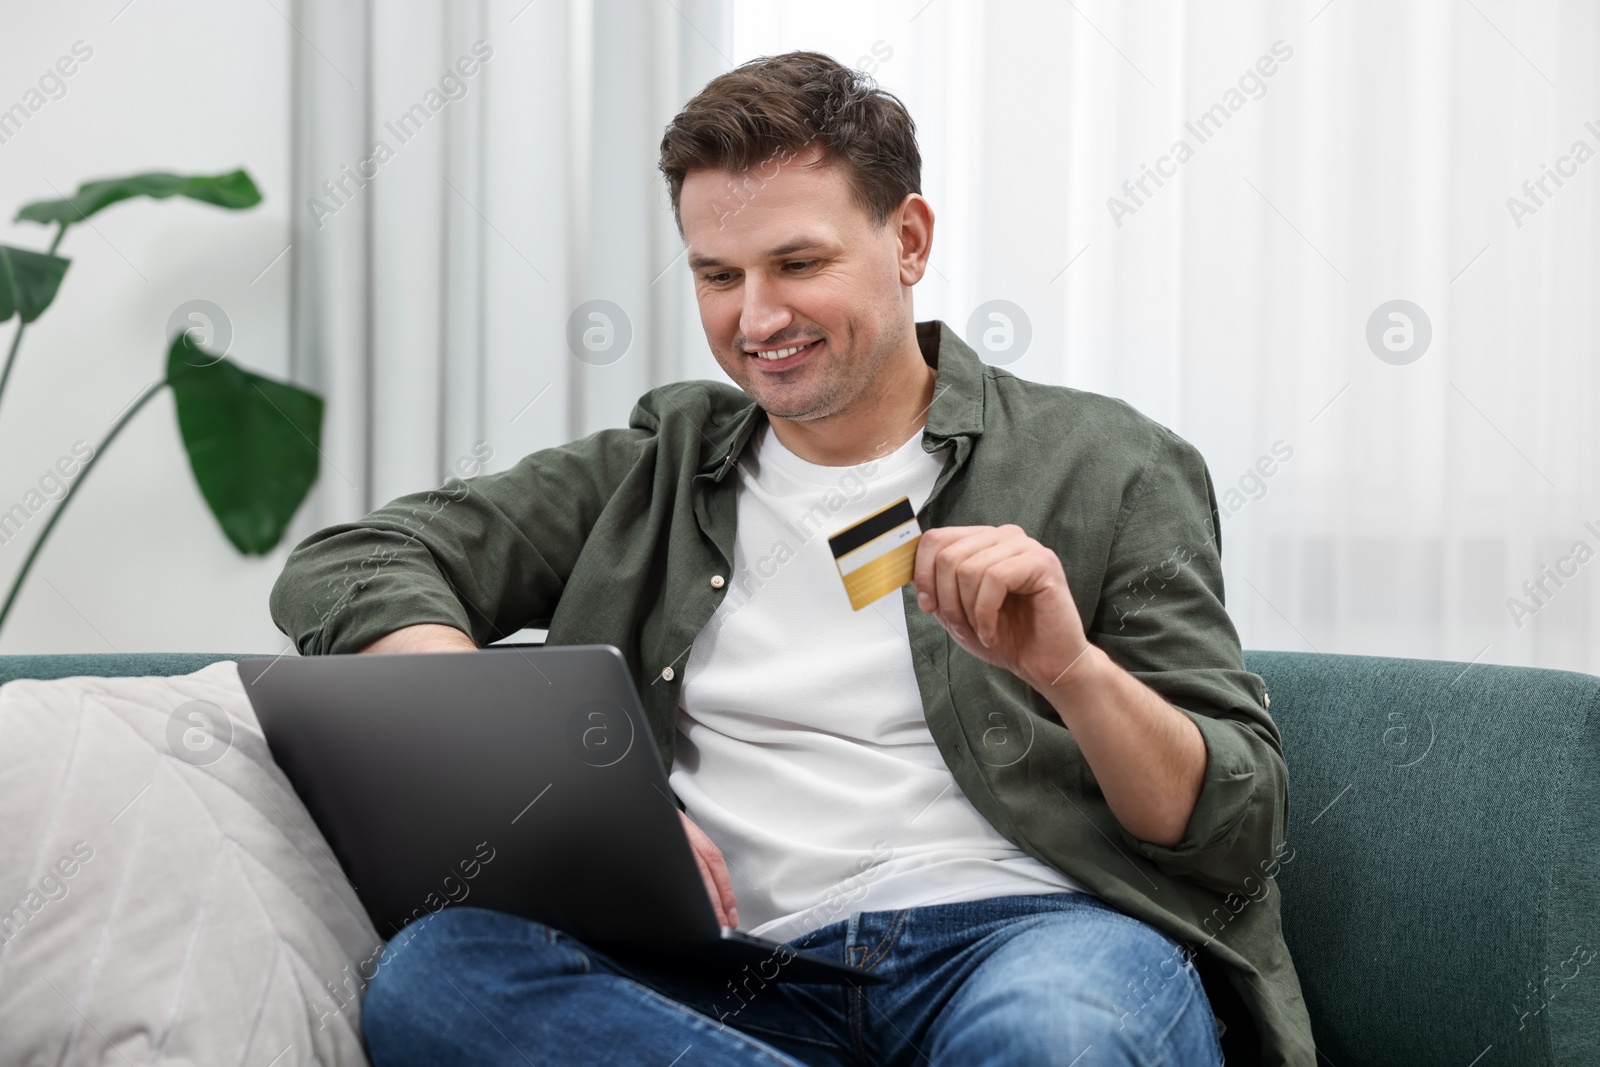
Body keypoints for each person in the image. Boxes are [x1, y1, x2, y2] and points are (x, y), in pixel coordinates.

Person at [270, 50, 1314, 1067]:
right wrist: (550, 771)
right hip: (723, 978)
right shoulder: (656, 469)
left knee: (1055, 1040)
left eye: (798, 264)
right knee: (438, 976)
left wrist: (1069, 670)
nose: (756, 317)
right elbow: (353, 562)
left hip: (1027, 941)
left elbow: (1231, 829)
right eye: (717, 275)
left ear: (907, 239)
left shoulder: (1109, 464)